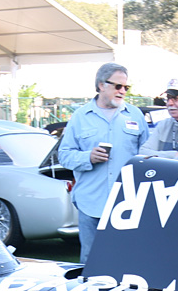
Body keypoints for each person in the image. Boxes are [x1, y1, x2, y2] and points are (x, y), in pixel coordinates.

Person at [59, 62, 149, 263]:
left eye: (126, 87)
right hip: (91, 203)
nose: (123, 91)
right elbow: (64, 156)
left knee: (127, 261)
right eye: (118, 86)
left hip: (127, 203)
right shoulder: (80, 117)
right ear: (101, 85)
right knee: (91, 262)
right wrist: (87, 157)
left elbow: (148, 155)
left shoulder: (135, 115)